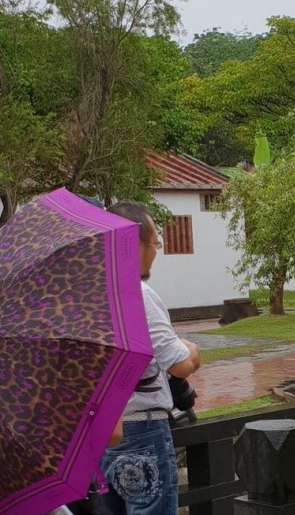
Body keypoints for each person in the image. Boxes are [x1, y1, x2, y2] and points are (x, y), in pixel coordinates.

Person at [100, 200, 201, 515]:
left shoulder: (89, 293)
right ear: (135, 244)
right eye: (155, 242)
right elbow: (180, 363)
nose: (156, 250)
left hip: (103, 434)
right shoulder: (134, 294)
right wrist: (193, 348)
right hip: (142, 433)